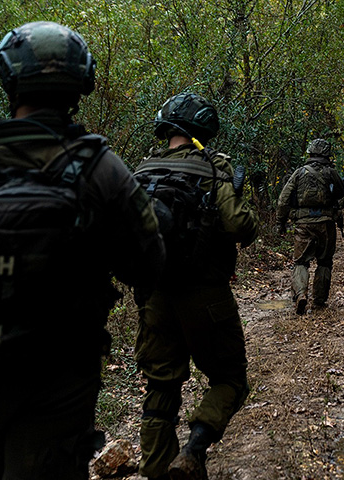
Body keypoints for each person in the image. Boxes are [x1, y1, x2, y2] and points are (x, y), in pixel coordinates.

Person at [0, 21, 166, 480]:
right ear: (81, 83)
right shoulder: (101, 168)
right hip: (57, 376)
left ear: (7, 79)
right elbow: (150, 265)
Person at [133, 92, 258, 480]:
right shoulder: (215, 168)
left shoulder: (140, 172)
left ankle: (156, 469)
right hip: (205, 295)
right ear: (204, 127)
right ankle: (193, 449)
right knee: (230, 378)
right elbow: (241, 227)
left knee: (160, 386)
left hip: (153, 296)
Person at [275, 139, 344, 314]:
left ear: (310, 152)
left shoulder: (299, 173)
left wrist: (280, 222)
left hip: (303, 224)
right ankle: (320, 301)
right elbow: (341, 192)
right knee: (325, 262)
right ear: (327, 154)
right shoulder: (331, 172)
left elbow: (283, 199)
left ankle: (300, 294)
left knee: (300, 262)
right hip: (326, 223)